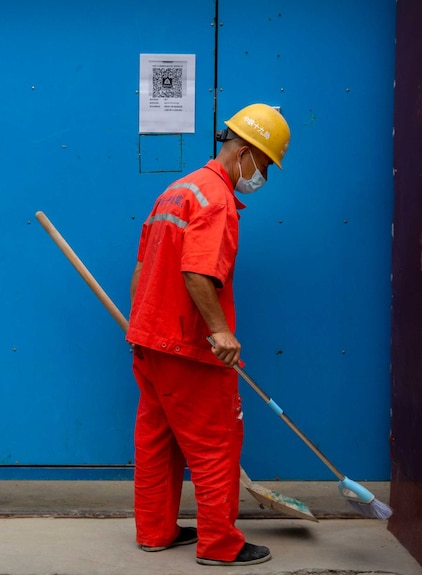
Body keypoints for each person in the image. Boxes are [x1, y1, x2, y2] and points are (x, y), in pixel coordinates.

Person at [125, 103, 291, 566]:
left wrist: (141, 324)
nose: (264, 178)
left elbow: (141, 267)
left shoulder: (177, 190)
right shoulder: (215, 198)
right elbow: (197, 271)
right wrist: (220, 331)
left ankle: (155, 532)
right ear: (245, 152)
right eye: (265, 166)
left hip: (150, 340)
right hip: (187, 347)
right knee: (217, 442)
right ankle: (220, 545)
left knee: (157, 440)